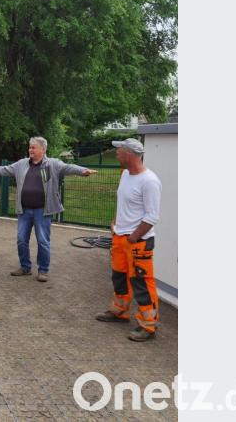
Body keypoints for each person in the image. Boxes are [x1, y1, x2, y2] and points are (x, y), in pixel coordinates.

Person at [0, 137, 96, 282]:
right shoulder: (22, 164)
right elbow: (3, 169)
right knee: (21, 240)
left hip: (42, 211)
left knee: (43, 241)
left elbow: (68, 167)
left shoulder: (53, 164)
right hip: (24, 210)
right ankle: (25, 267)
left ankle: (43, 270)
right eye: (30, 147)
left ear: (43, 150)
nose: (30, 150)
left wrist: (83, 171)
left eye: (33, 148)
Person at [95, 138, 162, 342]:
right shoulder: (125, 174)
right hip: (120, 238)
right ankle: (119, 311)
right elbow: (123, 202)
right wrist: (115, 223)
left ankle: (148, 326)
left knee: (141, 282)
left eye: (119, 150)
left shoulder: (149, 181)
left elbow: (152, 217)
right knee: (119, 277)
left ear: (130, 154)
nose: (116, 153)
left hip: (138, 242)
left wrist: (133, 237)